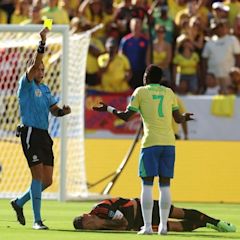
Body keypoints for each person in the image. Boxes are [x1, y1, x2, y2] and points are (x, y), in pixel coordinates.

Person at [92, 64, 194, 235]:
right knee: (165, 186)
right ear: (160, 79)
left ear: (146, 76)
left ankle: (147, 227)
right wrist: (185, 117)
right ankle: (163, 227)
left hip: (150, 144)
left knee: (147, 185)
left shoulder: (141, 91)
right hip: (169, 144)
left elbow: (126, 116)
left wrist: (108, 108)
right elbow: (177, 119)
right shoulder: (169, 93)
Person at [10, 27, 71, 230]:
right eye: (38, 69)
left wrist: (63, 112)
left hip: (44, 135)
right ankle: (37, 220)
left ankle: (19, 203)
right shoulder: (25, 85)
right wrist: (43, 41)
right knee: (36, 177)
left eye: (43, 69)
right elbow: (35, 62)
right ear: (31, 70)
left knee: (47, 181)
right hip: (30, 133)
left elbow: (53, 110)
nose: (41, 71)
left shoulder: (45, 90)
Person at [73, 197, 236, 233]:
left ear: (86, 215)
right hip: (140, 224)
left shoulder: (100, 209)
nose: (89, 226)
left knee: (180, 212)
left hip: (144, 207)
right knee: (176, 227)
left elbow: (122, 221)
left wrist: (104, 224)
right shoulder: (98, 229)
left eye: (86, 223)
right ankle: (204, 224)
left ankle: (217, 222)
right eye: (86, 228)